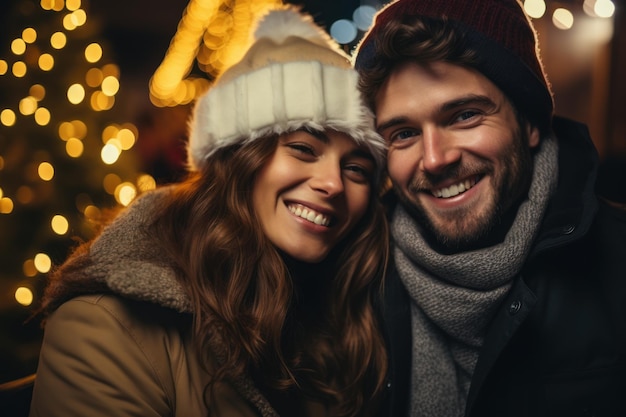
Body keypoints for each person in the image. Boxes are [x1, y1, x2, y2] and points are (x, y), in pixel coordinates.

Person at [29, 7, 390, 417]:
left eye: (357, 168)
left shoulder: (355, 315)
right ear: (237, 161)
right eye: (303, 149)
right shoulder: (106, 328)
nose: (333, 183)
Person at [353, 0, 626, 416]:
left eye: (464, 115)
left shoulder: (617, 262)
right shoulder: (354, 274)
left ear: (530, 123)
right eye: (404, 133)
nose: (434, 159)